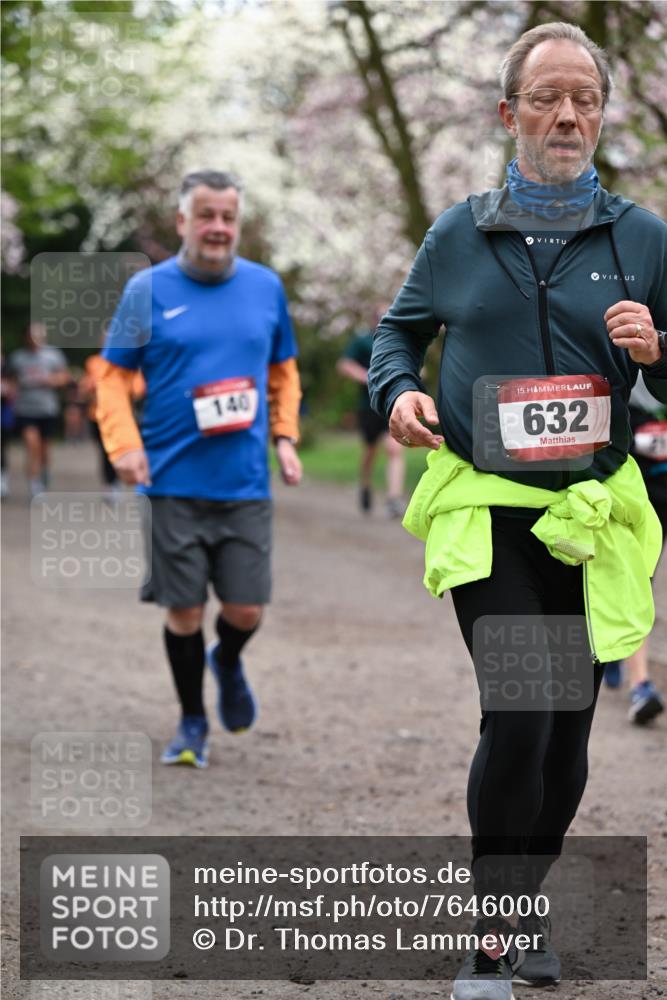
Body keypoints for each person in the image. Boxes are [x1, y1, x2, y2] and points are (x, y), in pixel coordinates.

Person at [368, 22, 667, 998]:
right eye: (545, 96)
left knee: (570, 726)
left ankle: (520, 904)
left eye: (583, 96)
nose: (567, 114)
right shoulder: (459, 230)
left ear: (602, 115)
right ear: (508, 114)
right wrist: (398, 396)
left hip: (589, 511)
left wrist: (657, 352)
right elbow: (396, 336)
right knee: (522, 709)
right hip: (487, 503)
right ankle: (491, 933)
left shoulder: (644, 238)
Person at [97, 169, 302, 769]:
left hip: (243, 482)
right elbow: (110, 377)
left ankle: (229, 659)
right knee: (184, 611)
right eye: (206, 216)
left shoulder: (265, 288)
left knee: (244, 610)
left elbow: (283, 371)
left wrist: (285, 436)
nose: (218, 228)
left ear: (238, 224)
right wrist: (123, 446)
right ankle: (192, 721)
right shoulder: (148, 290)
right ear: (183, 221)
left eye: (228, 218)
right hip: (172, 480)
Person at [604, 373, 666, 723]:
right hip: (636, 486)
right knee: (639, 580)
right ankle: (641, 685)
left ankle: (616, 649)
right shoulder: (630, 329)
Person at [337, 309, 406, 517]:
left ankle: (394, 498)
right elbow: (344, 365)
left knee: (395, 449)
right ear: (373, 319)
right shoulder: (362, 341)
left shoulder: (399, 340)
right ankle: (365, 484)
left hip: (393, 404)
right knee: (370, 451)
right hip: (369, 406)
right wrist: (368, 377)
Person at [7, 323, 70, 497]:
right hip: (25, 408)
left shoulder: (53, 355)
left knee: (44, 448)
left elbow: (65, 377)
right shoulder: (18, 357)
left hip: (47, 408)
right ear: (27, 337)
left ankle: (44, 471)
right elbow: (11, 380)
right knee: (31, 443)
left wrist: (51, 380)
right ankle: (35, 484)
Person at [81, 349, 145, 501]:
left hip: (123, 418)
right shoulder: (94, 362)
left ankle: (115, 482)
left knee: (120, 451)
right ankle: (109, 483)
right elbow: (86, 387)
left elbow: (138, 389)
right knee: (104, 453)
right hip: (96, 415)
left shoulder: (131, 363)